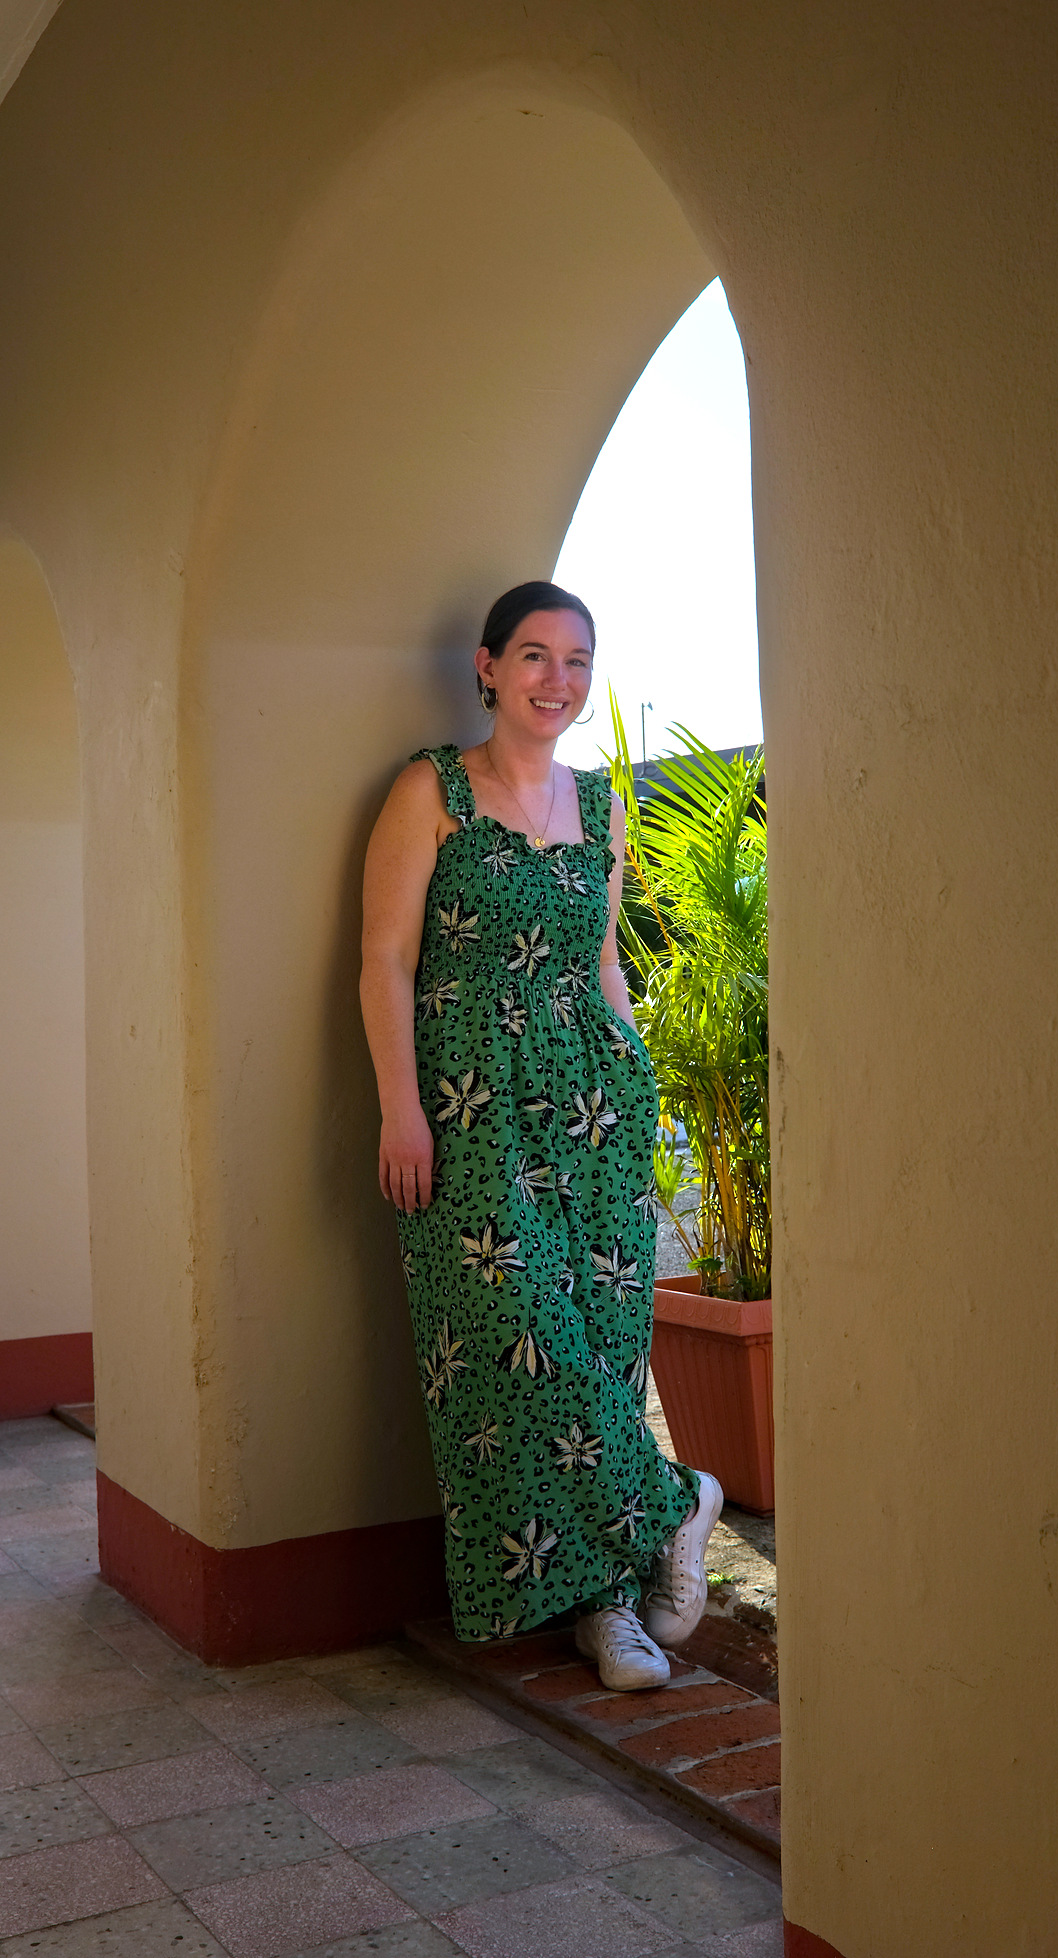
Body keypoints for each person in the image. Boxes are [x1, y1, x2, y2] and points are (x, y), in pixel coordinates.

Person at [360, 580, 722, 1690]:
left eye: (576, 659)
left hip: (596, 1106)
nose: (555, 679)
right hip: (470, 1108)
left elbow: (604, 963)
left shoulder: (602, 806)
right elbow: (385, 960)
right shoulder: (430, 788)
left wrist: (638, 1074)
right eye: (532, 655)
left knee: (604, 1346)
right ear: (485, 665)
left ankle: (609, 1613)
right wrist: (400, 1105)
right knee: (511, 1339)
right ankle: (679, 1501)